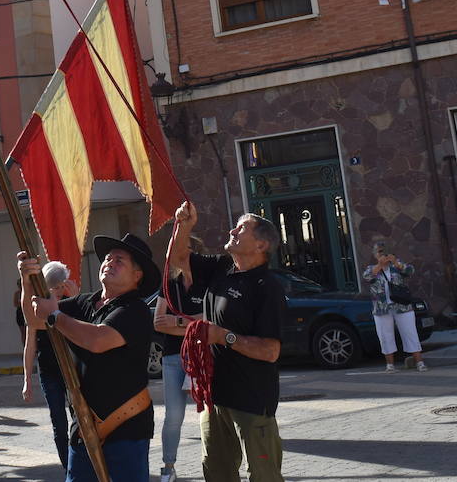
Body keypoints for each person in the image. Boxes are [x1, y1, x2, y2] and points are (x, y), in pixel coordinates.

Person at [19, 233, 157, 482]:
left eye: (119, 260)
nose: (109, 263)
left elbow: (97, 340)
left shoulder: (135, 310)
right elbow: (33, 319)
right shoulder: (85, 303)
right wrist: (27, 281)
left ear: (137, 276)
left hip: (127, 428)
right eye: (107, 258)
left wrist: (56, 317)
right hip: (83, 426)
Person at [168, 203, 286, 482]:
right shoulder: (221, 268)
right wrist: (184, 225)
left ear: (261, 244)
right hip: (214, 396)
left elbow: (271, 351)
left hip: (252, 399)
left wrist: (224, 337)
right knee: (217, 472)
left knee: (264, 475)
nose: (232, 230)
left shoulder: (267, 287)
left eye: (242, 228)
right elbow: (177, 259)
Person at [152, 239, 206, 482]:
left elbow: (210, 320)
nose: (177, 257)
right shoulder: (169, 284)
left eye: (182, 252)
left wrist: (178, 322)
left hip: (202, 356)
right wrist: (190, 324)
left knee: (213, 414)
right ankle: (168, 467)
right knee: (173, 416)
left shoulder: (207, 282)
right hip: (173, 358)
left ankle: (217, 462)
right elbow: (158, 322)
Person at [21, 260, 78, 472]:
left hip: (71, 371)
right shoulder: (40, 308)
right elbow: (30, 345)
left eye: (60, 287)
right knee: (59, 423)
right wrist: (27, 379)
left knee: (78, 418)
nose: (57, 292)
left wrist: (74, 298)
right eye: (53, 287)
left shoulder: (72, 302)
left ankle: (81, 463)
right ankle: (69, 468)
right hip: (49, 373)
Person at [361, 243, 426, 373]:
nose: (382, 254)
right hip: (381, 309)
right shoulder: (372, 268)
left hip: (402, 306)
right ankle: (390, 365)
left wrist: (396, 262)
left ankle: (419, 362)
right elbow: (367, 276)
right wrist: (380, 265)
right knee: (385, 336)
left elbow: (410, 271)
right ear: (375, 255)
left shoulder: (397, 266)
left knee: (410, 333)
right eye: (379, 252)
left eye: (384, 252)